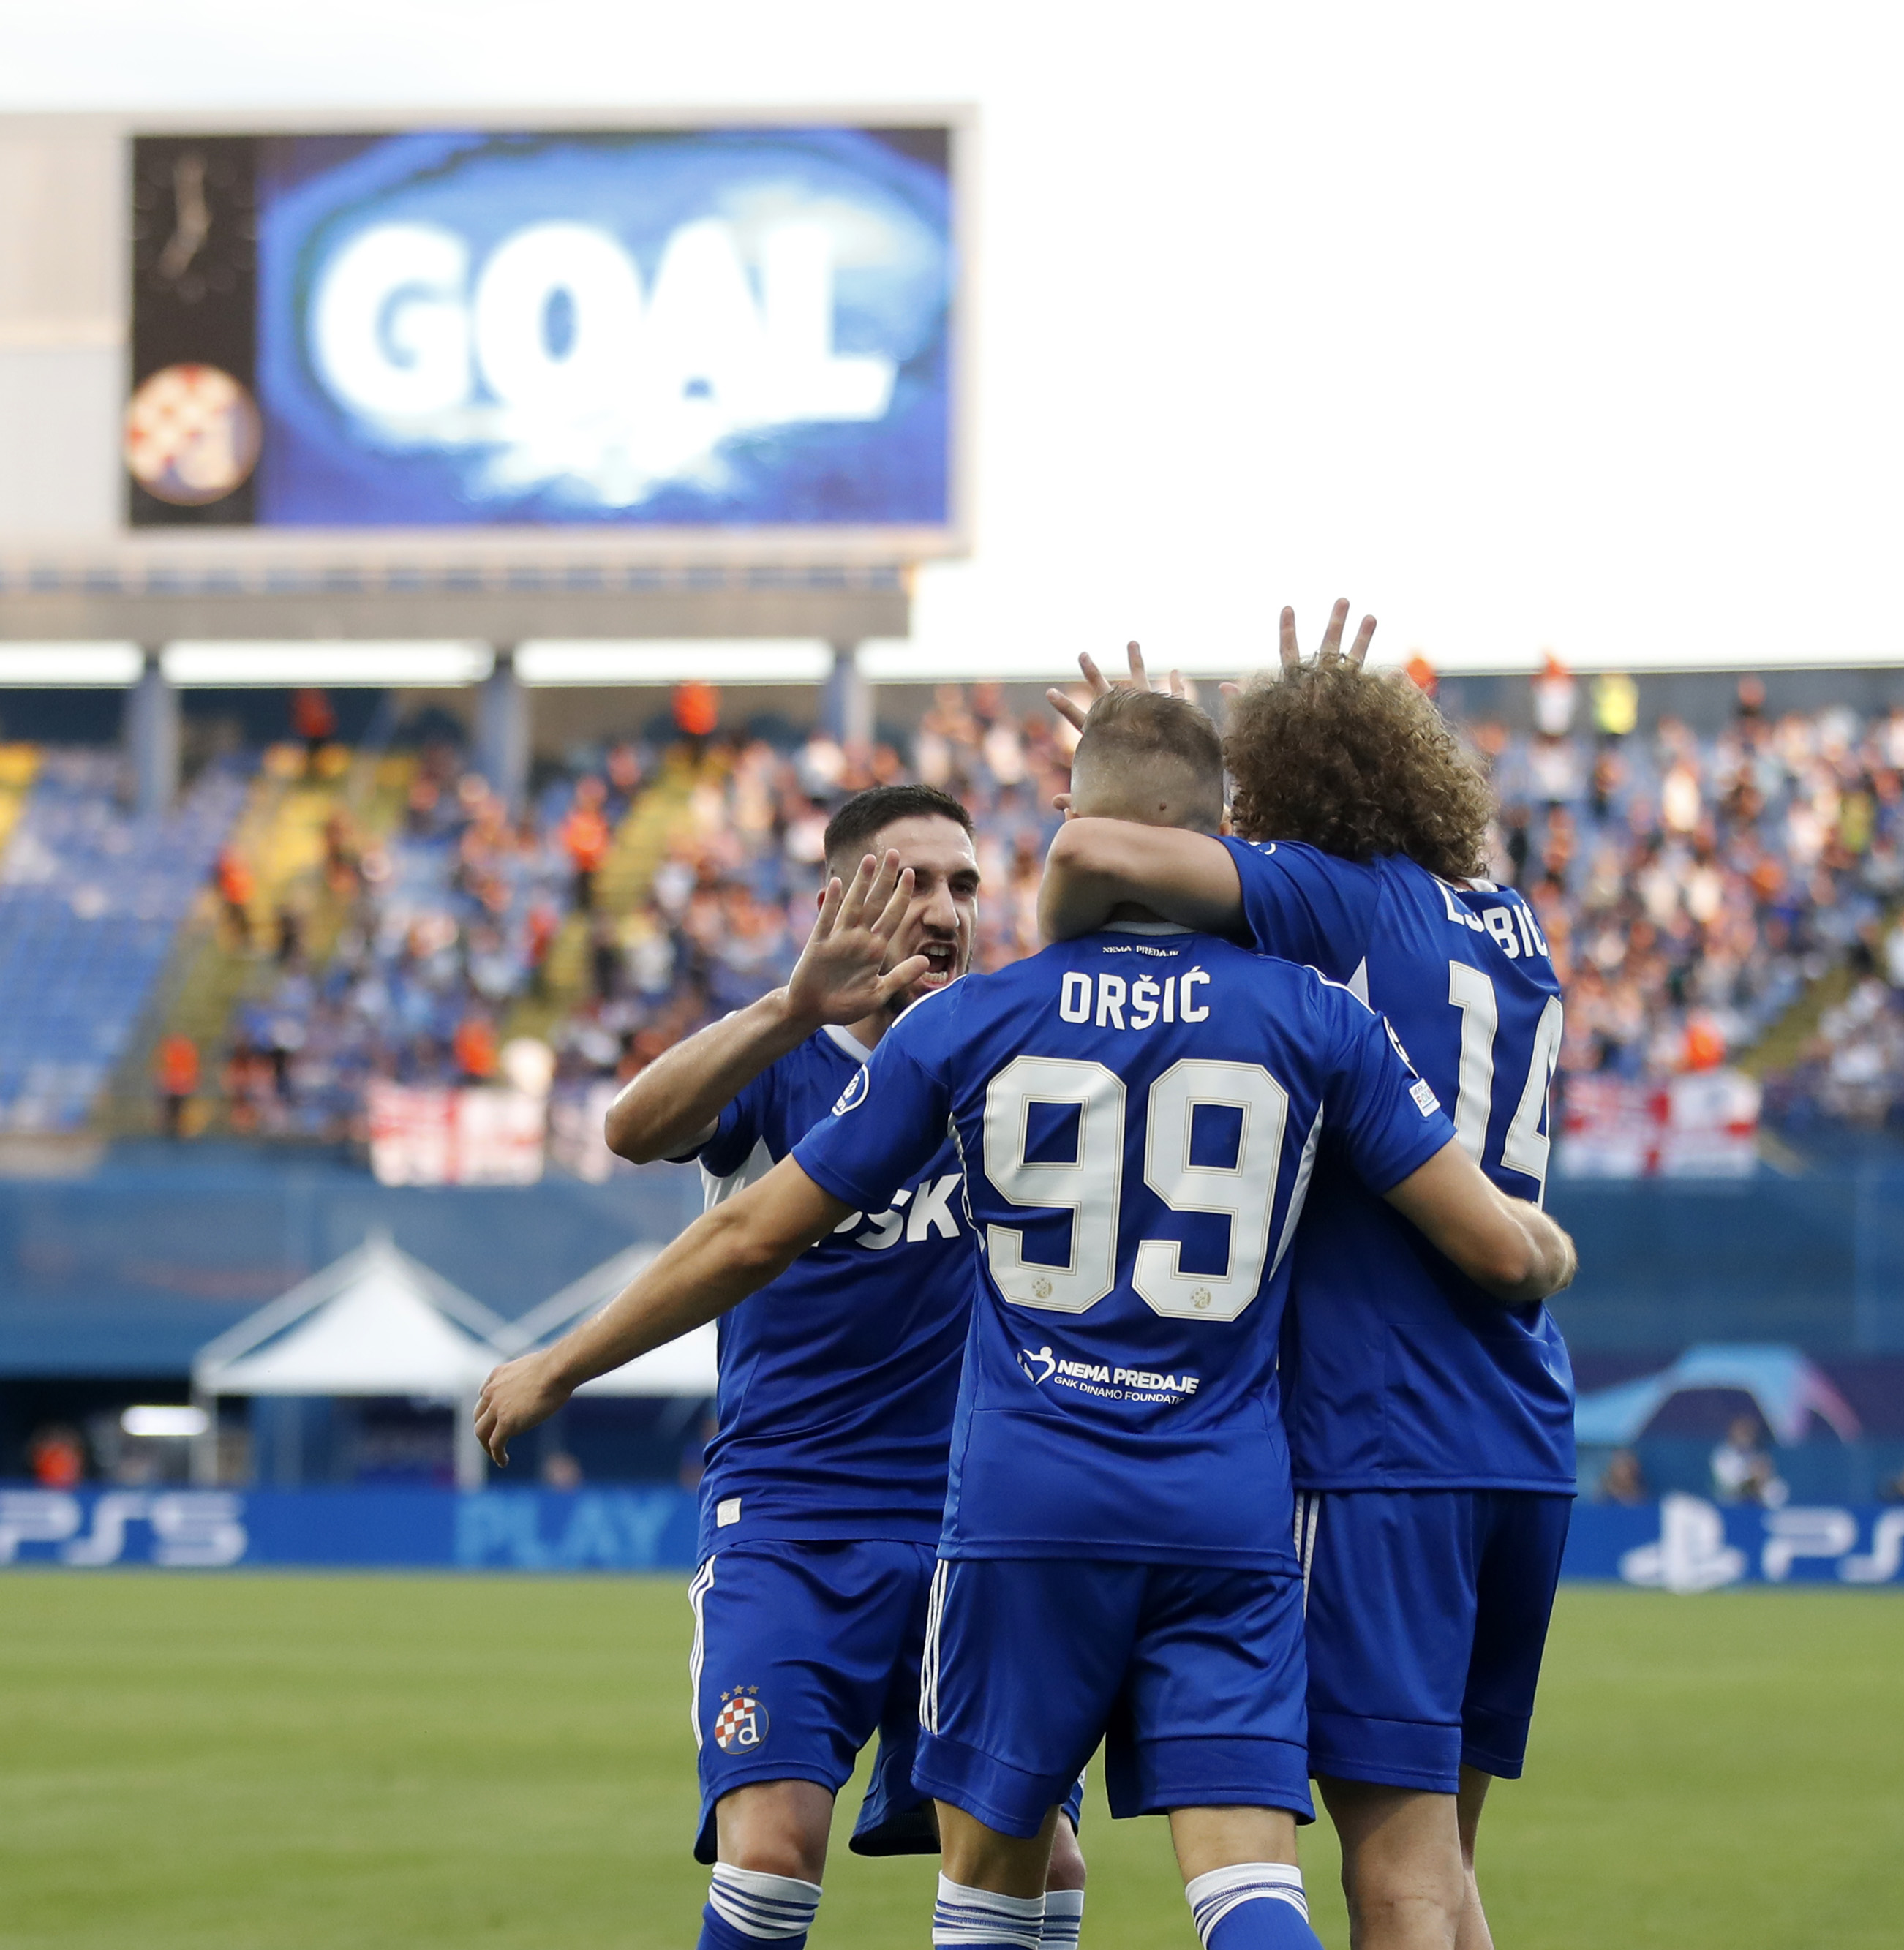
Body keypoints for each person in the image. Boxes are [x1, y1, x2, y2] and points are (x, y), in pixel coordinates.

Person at [479, 688, 1575, 1950]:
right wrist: (1544, 1242)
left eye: (964, 881)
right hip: (1202, 1499)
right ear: (1212, 835)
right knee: (1246, 1878)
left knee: (999, 1874)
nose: (942, 913)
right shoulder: (1316, 1017)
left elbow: (746, 1233)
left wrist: (559, 1364)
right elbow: (1497, 1245)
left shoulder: (978, 1027)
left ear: (1067, 829)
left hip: (1018, 1507)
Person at [1035, 609, 1579, 1950]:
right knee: (1444, 1868)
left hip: (1386, 1434)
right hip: (1522, 1428)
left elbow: (1098, 852)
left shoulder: (1338, 896)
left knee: (1390, 1875)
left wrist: (1133, 766)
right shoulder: (1511, 924)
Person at [500, 782, 1087, 1950]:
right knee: (774, 1844)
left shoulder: (1017, 1063)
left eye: (964, 883)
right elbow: (630, 1128)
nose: (945, 907)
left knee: (1043, 1857)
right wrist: (786, 1006)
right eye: (912, 879)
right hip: (793, 1512)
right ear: (840, 899)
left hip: (982, 1520)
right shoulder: (782, 1064)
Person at [1709, 1413, 1787, 1509]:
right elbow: (1730, 1486)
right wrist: (1754, 1480)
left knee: (1776, 1488)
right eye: (1742, 1431)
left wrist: (1761, 1478)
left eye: (1748, 1431)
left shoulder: (1758, 1453)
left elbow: (1768, 1478)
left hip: (1757, 1500)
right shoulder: (1724, 1454)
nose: (1746, 1435)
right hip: (1729, 1503)